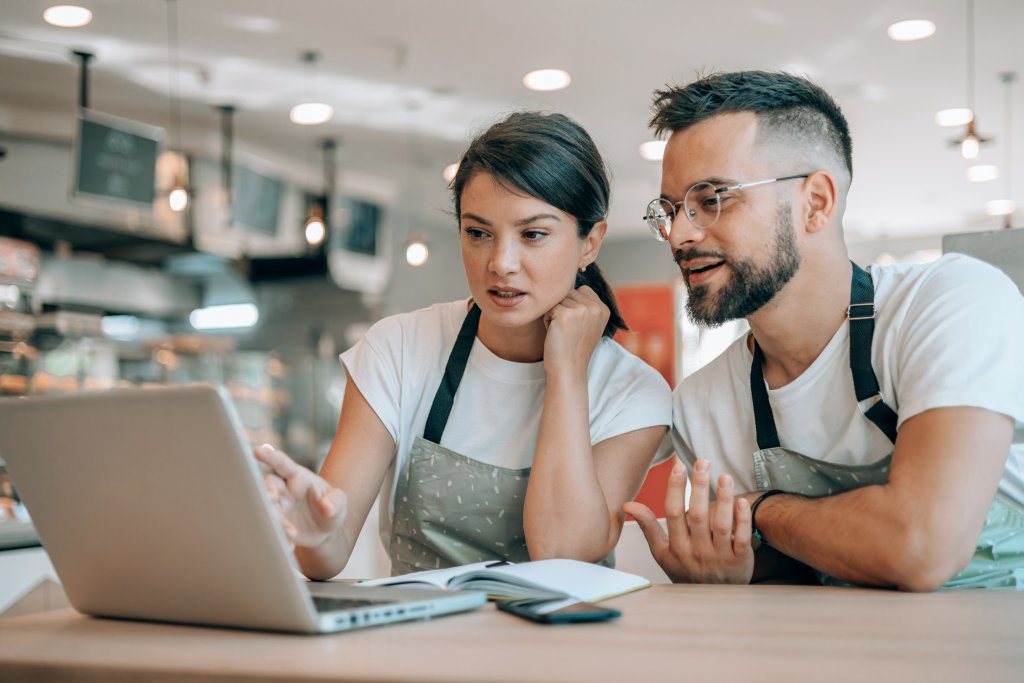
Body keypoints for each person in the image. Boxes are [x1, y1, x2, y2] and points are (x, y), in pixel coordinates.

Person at [624, 71, 1024, 591]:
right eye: (673, 210)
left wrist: (763, 508)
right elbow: (800, 569)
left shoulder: (951, 301)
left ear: (816, 202)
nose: (680, 235)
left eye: (713, 198)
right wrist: (736, 571)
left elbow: (921, 547)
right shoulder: (704, 404)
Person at [257, 111, 671, 578]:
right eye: (478, 233)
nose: (501, 263)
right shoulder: (397, 349)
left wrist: (568, 373)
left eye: (533, 234)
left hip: (561, 648)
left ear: (590, 243)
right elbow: (327, 554)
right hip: (420, 642)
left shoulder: (635, 392)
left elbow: (563, 552)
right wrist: (312, 534)